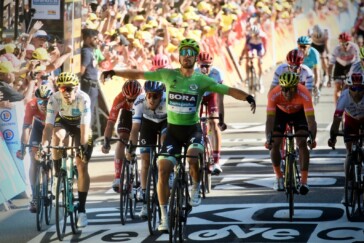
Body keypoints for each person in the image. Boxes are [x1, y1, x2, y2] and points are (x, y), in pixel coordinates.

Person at [101, 38, 256, 232]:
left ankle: (196, 186)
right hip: (173, 131)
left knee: (193, 158)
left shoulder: (201, 79)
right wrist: (114, 72)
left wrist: (247, 97)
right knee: (163, 168)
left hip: (192, 130)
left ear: (195, 57)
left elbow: (227, 90)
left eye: (191, 53)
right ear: (180, 55)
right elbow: (139, 73)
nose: (187, 56)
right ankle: (164, 217)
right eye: (184, 52)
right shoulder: (168, 75)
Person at [40, 72, 93, 228]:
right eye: (63, 89)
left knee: (82, 164)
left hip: (80, 126)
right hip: (63, 121)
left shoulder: (83, 99)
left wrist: (82, 147)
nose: (66, 92)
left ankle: (82, 211)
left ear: (76, 88)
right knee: (56, 137)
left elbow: (84, 127)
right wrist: (44, 145)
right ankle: (57, 174)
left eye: (69, 89)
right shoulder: (54, 98)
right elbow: (48, 126)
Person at [265, 72, 317, 195]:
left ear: (296, 87)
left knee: (302, 142)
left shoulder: (304, 93)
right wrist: (268, 138)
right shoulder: (274, 94)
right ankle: (279, 177)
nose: (287, 93)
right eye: (284, 89)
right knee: (275, 142)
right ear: (280, 87)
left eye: (291, 89)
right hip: (280, 113)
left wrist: (312, 138)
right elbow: (270, 120)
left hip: (299, 114)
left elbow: (311, 120)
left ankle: (304, 182)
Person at [125, 81, 167, 219]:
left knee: (164, 148)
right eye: (149, 96)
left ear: (161, 95)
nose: (151, 99)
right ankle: (145, 201)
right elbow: (135, 128)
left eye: (155, 96)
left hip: (165, 123)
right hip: (148, 124)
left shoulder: (168, 101)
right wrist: (131, 148)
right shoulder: (139, 101)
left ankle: (169, 172)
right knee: (145, 161)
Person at [327, 72, 364, 204]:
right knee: (349, 152)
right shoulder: (344, 97)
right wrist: (333, 137)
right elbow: (336, 120)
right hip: (351, 120)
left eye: (361, 88)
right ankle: (348, 186)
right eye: (354, 88)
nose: (357, 92)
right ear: (349, 88)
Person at [16, 83, 53, 213]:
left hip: (53, 127)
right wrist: (23, 148)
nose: (43, 104)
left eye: (46, 101)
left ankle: (49, 185)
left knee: (51, 157)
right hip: (38, 128)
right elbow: (26, 128)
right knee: (34, 159)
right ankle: (35, 196)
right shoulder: (31, 105)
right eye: (40, 101)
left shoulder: (57, 104)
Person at [101, 80, 143, 192]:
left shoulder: (145, 97)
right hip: (128, 115)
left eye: (135, 100)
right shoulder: (119, 99)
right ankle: (118, 177)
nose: (132, 103)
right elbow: (110, 123)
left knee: (146, 141)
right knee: (122, 139)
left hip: (143, 114)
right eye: (129, 100)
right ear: (125, 96)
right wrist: (106, 142)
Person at [195, 51, 225, 175]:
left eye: (208, 66)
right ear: (198, 65)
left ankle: (216, 160)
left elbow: (220, 99)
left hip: (212, 96)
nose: (205, 68)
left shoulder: (217, 74)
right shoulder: (193, 74)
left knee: (214, 122)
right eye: (203, 66)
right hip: (198, 97)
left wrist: (221, 119)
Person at [328, 32, 360, 104]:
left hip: (350, 66)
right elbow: (330, 65)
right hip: (339, 67)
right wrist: (329, 78)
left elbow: (359, 63)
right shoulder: (336, 49)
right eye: (342, 44)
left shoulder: (354, 47)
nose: (344, 46)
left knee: (352, 86)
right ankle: (337, 110)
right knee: (337, 88)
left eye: (347, 44)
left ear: (350, 42)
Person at [80, 28, 100, 127]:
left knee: (90, 112)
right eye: (94, 38)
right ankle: (85, 136)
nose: (97, 41)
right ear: (87, 39)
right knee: (87, 112)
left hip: (93, 85)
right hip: (88, 85)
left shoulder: (91, 51)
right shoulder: (86, 52)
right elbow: (81, 70)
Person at [238, 25, 267, 93]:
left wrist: (261, 58)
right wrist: (241, 58)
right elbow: (245, 48)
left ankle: (260, 81)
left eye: (256, 35)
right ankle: (247, 77)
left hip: (259, 47)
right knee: (248, 60)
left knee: (259, 63)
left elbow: (265, 49)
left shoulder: (263, 36)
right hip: (251, 47)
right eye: (253, 35)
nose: (255, 36)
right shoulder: (248, 36)